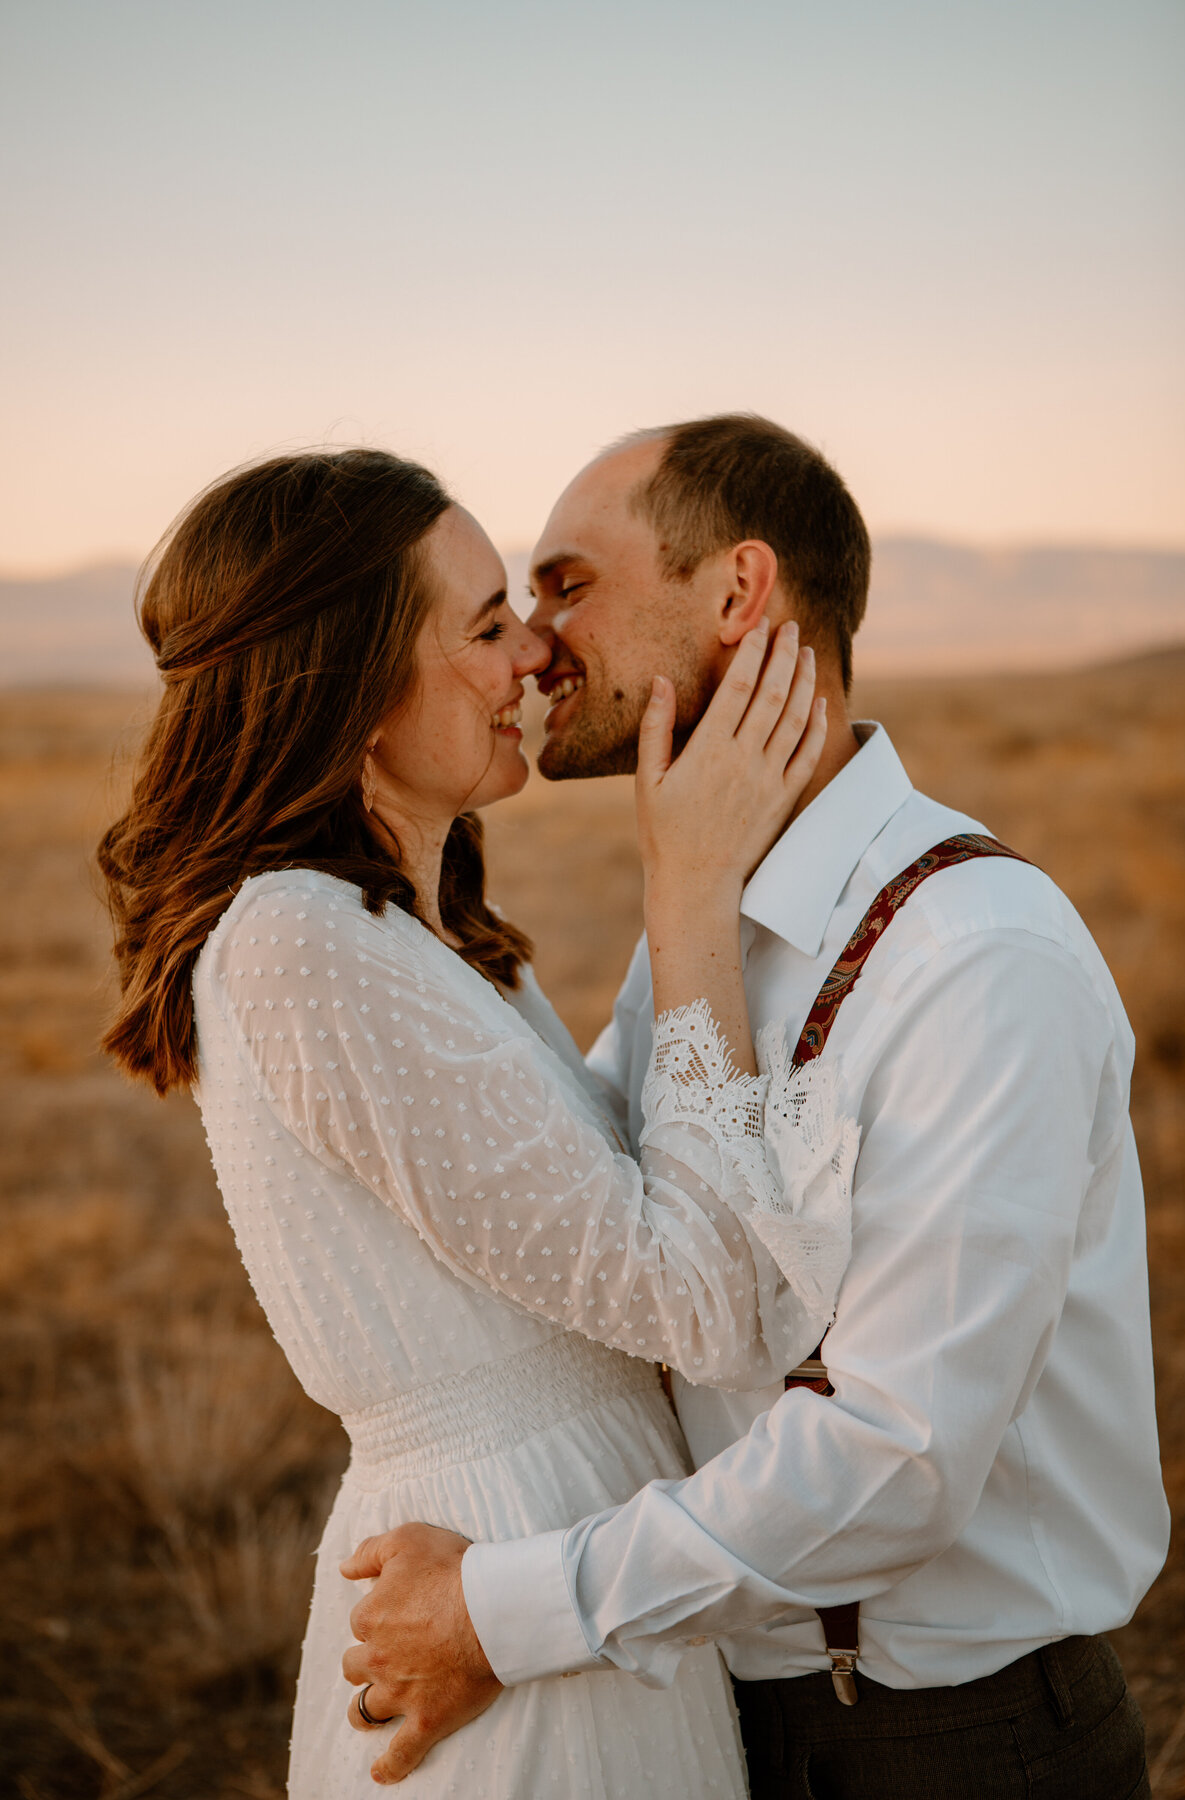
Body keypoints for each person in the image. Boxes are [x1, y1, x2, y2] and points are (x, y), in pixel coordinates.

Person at [340, 416, 1170, 1798]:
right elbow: (625, 1251)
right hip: (703, 1710)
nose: (536, 644)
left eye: (567, 584)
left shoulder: (974, 956)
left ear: (737, 595)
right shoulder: (703, 925)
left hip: (939, 1746)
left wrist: (502, 1610)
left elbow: (893, 1458)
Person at [96, 446, 856, 1800]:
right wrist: (690, 892)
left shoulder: (429, 943)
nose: (535, 663)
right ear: (351, 682)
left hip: (555, 1562)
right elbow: (702, 1301)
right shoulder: (300, 946)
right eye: (488, 624)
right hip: (494, 1578)